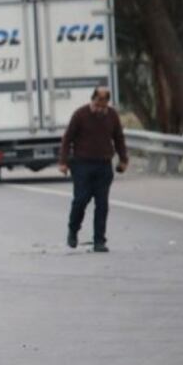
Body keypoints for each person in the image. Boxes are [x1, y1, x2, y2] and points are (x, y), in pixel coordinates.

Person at [58, 86, 128, 253]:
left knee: (102, 204)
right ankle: (73, 230)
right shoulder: (80, 114)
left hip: (103, 165)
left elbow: (118, 138)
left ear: (107, 103)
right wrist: (63, 162)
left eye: (103, 106)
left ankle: (99, 241)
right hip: (82, 164)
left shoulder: (111, 115)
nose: (100, 109)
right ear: (93, 100)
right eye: (97, 104)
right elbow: (67, 139)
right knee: (81, 200)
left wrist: (123, 159)